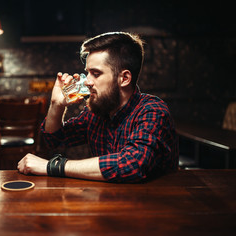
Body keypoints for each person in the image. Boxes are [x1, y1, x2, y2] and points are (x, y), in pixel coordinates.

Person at [18, 32, 179, 182]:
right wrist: (56, 105)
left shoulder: (153, 110)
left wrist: (53, 166)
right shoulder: (96, 112)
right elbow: (53, 139)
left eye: (95, 74)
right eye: (87, 73)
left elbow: (132, 164)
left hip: (152, 207)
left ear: (124, 78)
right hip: (109, 205)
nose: (87, 81)